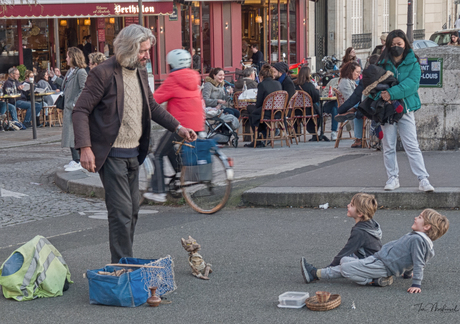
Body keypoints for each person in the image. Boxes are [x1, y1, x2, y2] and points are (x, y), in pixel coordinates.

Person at [72, 24, 196, 263]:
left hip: (133, 153)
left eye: (148, 50)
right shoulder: (103, 72)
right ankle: (123, 266)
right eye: (143, 51)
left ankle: (124, 261)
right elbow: (80, 110)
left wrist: (177, 127)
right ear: (128, 48)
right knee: (120, 213)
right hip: (111, 154)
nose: (147, 56)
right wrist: (84, 148)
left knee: (132, 211)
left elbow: (152, 107)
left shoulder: (139, 72)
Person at [301, 208, 449, 293]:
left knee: (346, 268)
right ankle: (374, 279)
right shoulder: (417, 237)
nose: (416, 218)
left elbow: (418, 262)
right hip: (378, 259)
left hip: (383, 267)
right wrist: (407, 274)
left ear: (427, 226)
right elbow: (411, 260)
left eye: (420, 217)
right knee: (345, 260)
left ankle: (316, 274)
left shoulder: (418, 240)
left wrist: (416, 283)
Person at [143, 49, 205, 203]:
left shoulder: (173, 79)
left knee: (158, 153)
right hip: (197, 124)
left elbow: (154, 100)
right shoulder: (194, 77)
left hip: (181, 126)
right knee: (170, 148)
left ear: (171, 65)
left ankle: (158, 191)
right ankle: (180, 174)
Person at [377, 29, 434, 192]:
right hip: (387, 109)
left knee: (411, 144)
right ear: (388, 45)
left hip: (405, 108)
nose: (396, 47)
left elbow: (412, 84)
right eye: (393, 44)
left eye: (399, 44)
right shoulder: (382, 63)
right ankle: (392, 178)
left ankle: (423, 179)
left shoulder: (413, 63)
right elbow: (373, 84)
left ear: (405, 44)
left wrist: (390, 93)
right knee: (388, 144)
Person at [301, 193, 381, 273]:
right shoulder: (371, 224)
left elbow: (345, 251)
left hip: (369, 264)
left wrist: (330, 267)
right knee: (347, 259)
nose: (348, 205)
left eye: (352, 205)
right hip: (373, 260)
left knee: (344, 262)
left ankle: (317, 274)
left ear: (360, 213)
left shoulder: (360, 231)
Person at [49, 47, 88, 172]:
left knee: (74, 134)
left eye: (67, 56)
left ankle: (78, 160)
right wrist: (55, 78)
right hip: (68, 107)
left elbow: (84, 88)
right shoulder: (72, 71)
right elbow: (65, 85)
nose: (66, 58)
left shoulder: (81, 72)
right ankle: (75, 159)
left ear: (73, 57)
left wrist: (74, 103)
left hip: (73, 108)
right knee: (70, 134)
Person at [245, 64, 282, 147]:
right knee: (254, 112)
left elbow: (258, 103)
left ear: (261, 76)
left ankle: (258, 137)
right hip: (278, 112)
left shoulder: (262, 85)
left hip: (267, 112)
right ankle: (265, 132)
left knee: (250, 109)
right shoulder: (278, 83)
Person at [337, 61, 363, 148]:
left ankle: (361, 138)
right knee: (360, 112)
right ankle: (359, 139)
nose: (359, 75)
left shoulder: (351, 81)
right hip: (349, 106)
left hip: (353, 104)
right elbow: (349, 99)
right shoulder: (345, 81)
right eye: (357, 72)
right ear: (350, 71)